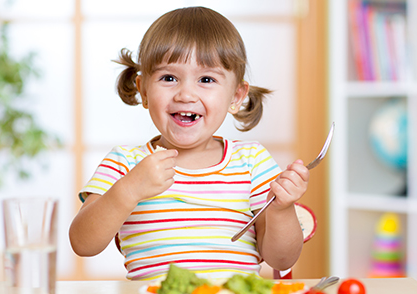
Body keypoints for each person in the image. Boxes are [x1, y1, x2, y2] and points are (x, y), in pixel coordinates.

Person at [69, 6, 309, 281]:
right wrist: (128, 190)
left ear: (236, 96)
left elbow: (282, 259)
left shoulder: (252, 161)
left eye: (206, 79)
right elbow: (82, 243)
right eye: (168, 78)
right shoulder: (125, 163)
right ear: (144, 90)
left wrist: (281, 209)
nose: (185, 94)